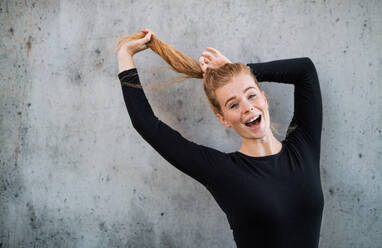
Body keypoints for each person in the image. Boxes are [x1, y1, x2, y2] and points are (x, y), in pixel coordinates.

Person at [116, 29, 324, 248]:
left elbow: (305, 70)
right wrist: (124, 56)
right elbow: (146, 124)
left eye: (251, 94)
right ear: (223, 119)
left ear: (264, 98)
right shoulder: (223, 171)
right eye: (233, 104)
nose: (247, 107)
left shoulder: (304, 146)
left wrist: (240, 70)